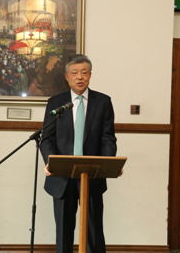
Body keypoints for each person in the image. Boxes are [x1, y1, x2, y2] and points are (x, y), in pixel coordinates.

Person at [40, 54, 123, 253]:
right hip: (62, 176)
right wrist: (50, 162)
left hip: (92, 175)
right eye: (74, 73)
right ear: (67, 77)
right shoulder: (55, 103)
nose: (80, 77)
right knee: (63, 231)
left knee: (94, 232)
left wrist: (109, 163)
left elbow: (108, 138)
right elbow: (47, 138)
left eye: (84, 73)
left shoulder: (103, 102)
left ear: (90, 75)